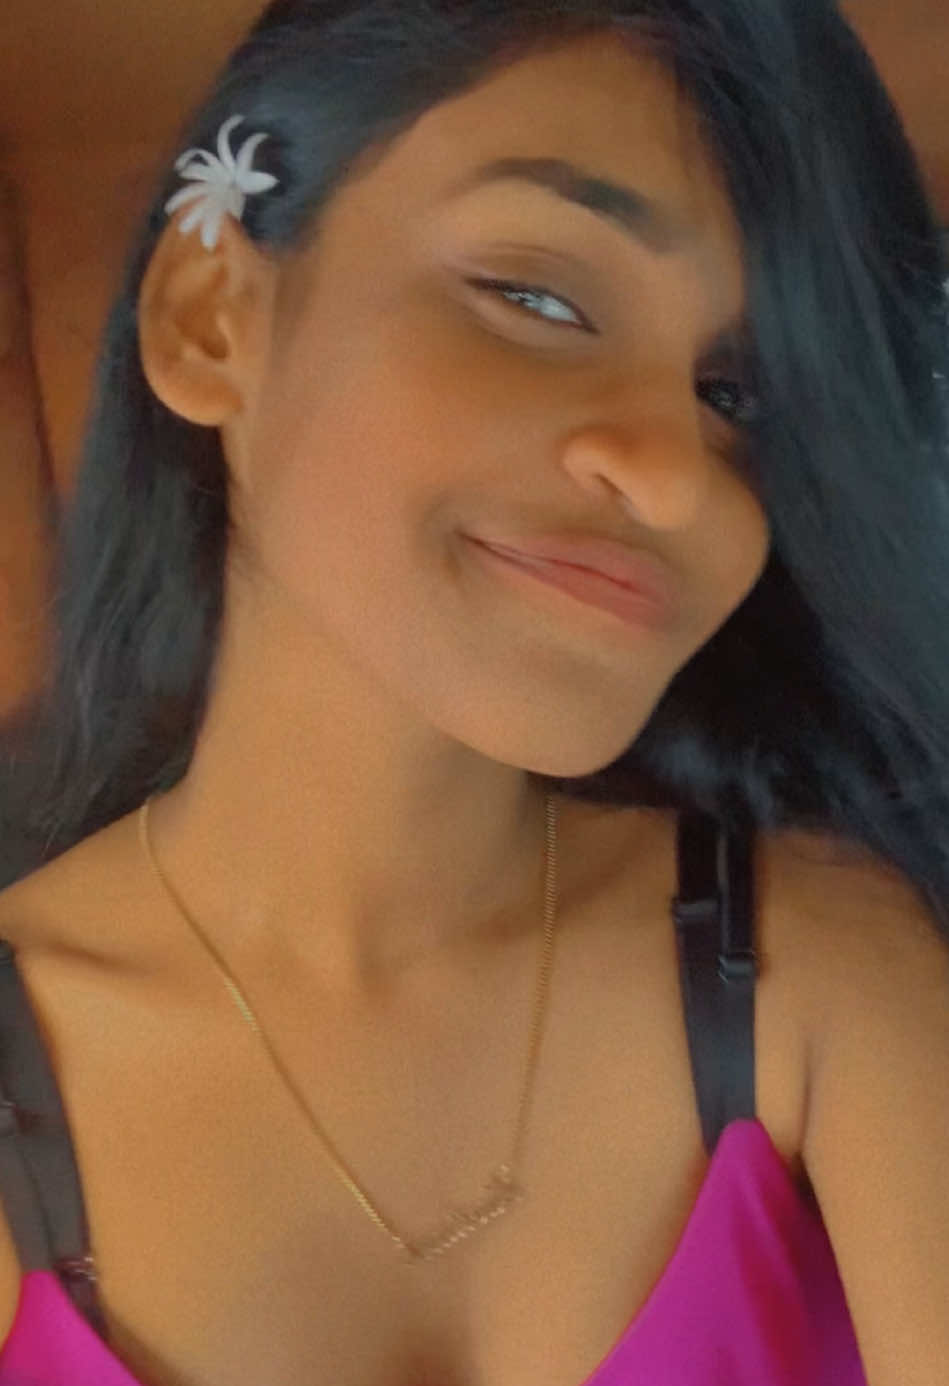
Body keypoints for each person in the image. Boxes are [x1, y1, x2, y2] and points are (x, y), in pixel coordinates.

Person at [0, 2, 947, 1384]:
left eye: (735, 396)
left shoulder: (818, 976)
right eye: (539, 300)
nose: (671, 478)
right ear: (211, 318)